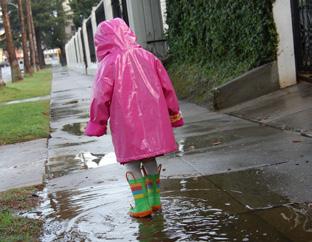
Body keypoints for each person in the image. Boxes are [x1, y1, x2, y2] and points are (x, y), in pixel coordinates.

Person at [85, 18, 184, 218]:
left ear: (101, 42)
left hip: (126, 123)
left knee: (131, 162)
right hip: (153, 120)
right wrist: (173, 113)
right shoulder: (149, 57)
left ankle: (142, 205)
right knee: (149, 157)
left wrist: (98, 122)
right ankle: (155, 201)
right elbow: (167, 88)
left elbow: (100, 96)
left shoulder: (108, 64)